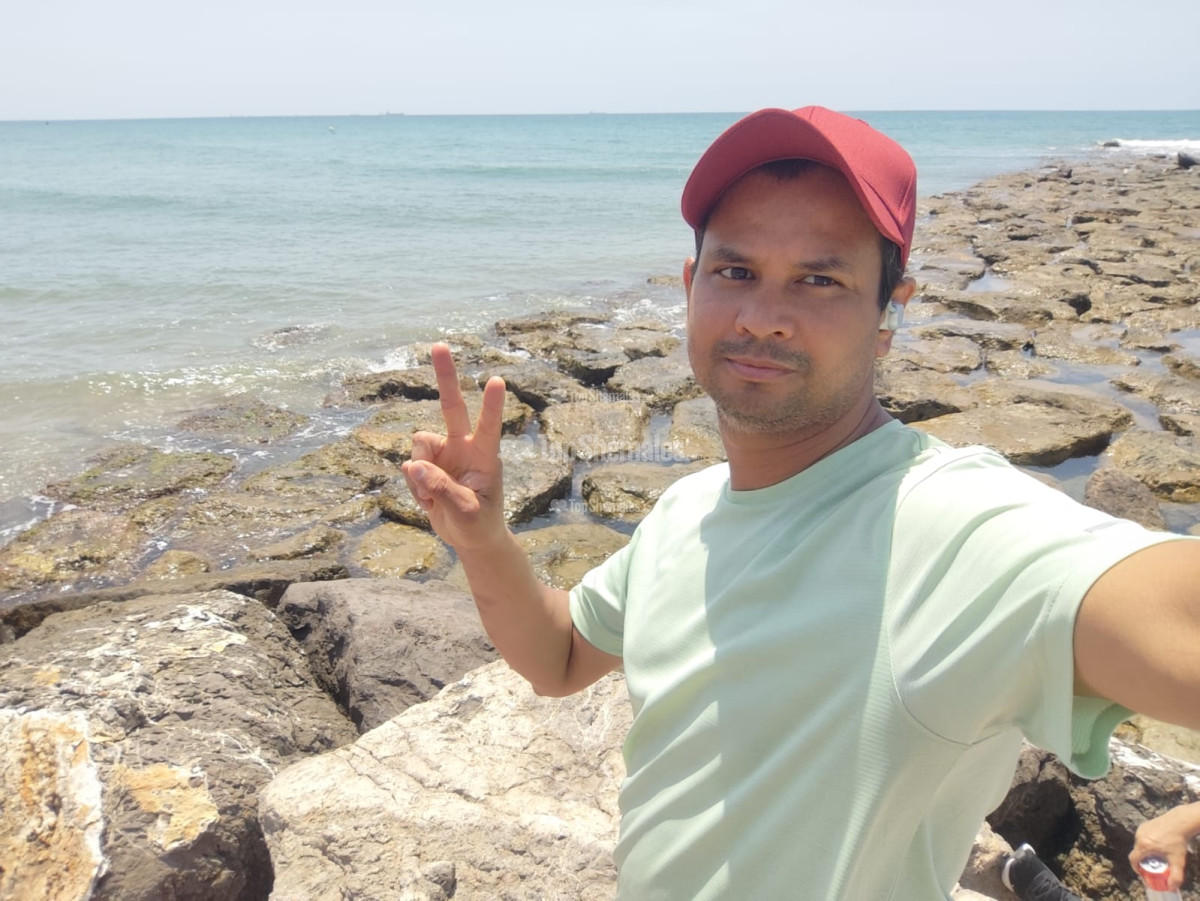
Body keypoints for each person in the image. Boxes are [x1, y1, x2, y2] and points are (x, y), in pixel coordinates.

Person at [400, 106, 1200, 899]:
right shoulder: (688, 510)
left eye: (819, 280)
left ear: (889, 313)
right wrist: (485, 541)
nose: (762, 319)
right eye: (735, 272)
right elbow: (560, 656)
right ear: (689, 286)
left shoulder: (953, 530)